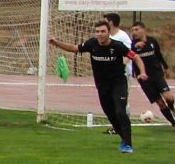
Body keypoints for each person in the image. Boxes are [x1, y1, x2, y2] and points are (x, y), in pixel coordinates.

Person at [49, 20, 149, 154]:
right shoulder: (92, 44)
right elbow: (74, 48)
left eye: (103, 31)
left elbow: (135, 57)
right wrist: (57, 43)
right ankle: (124, 140)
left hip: (118, 83)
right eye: (97, 32)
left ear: (109, 32)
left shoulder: (118, 46)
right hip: (102, 86)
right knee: (111, 115)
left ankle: (128, 145)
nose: (100, 34)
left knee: (120, 111)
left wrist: (142, 73)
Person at [131, 21, 175, 133]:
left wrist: (166, 68)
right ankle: (174, 124)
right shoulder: (133, 45)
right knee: (160, 102)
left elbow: (159, 55)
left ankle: (172, 107)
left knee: (169, 97)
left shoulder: (152, 41)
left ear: (143, 30)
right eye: (133, 30)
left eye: (137, 29)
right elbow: (130, 55)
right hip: (144, 78)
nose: (134, 32)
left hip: (157, 74)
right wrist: (135, 48)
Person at [103, 13, 132, 134]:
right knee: (110, 100)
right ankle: (118, 126)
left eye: (105, 21)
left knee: (120, 100)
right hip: (109, 75)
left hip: (122, 74)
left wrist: (121, 67)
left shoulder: (123, 36)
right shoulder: (106, 37)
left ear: (110, 23)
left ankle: (122, 127)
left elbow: (128, 54)